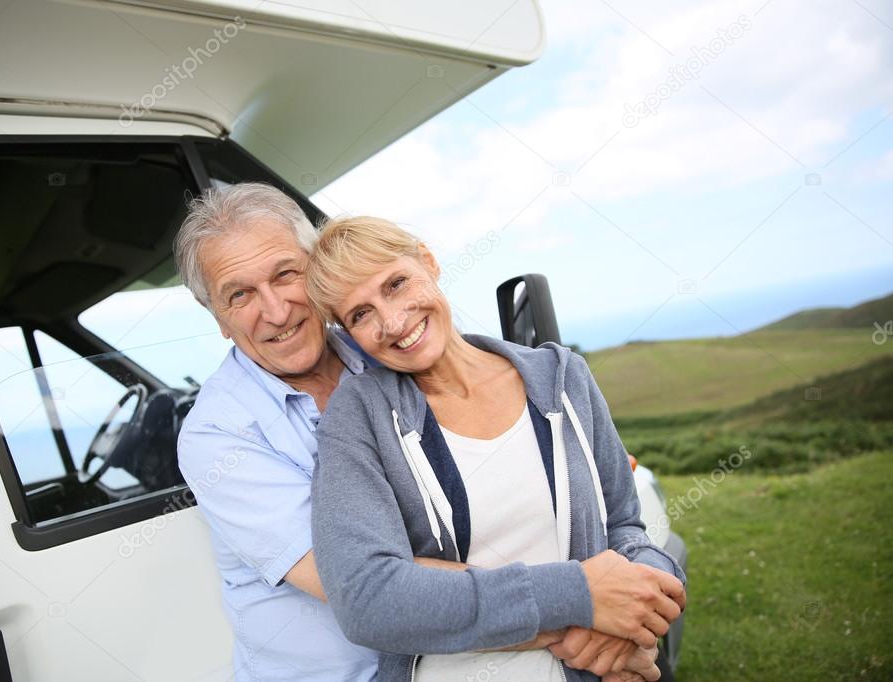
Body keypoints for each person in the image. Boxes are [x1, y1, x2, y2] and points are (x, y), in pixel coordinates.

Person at [305, 216, 688, 682]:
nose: (392, 321)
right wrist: (579, 600)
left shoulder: (562, 377)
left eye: (396, 284)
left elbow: (625, 526)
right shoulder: (357, 416)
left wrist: (638, 606)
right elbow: (366, 599)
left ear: (428, 261)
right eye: (360, 315)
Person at [173, 183, 380, 681]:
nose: (276, 311)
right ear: (218, 319)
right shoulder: (215, 436)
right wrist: (560, 611)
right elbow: (358, 582)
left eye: (286, 273)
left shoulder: (381, 348)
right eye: (239, 294)